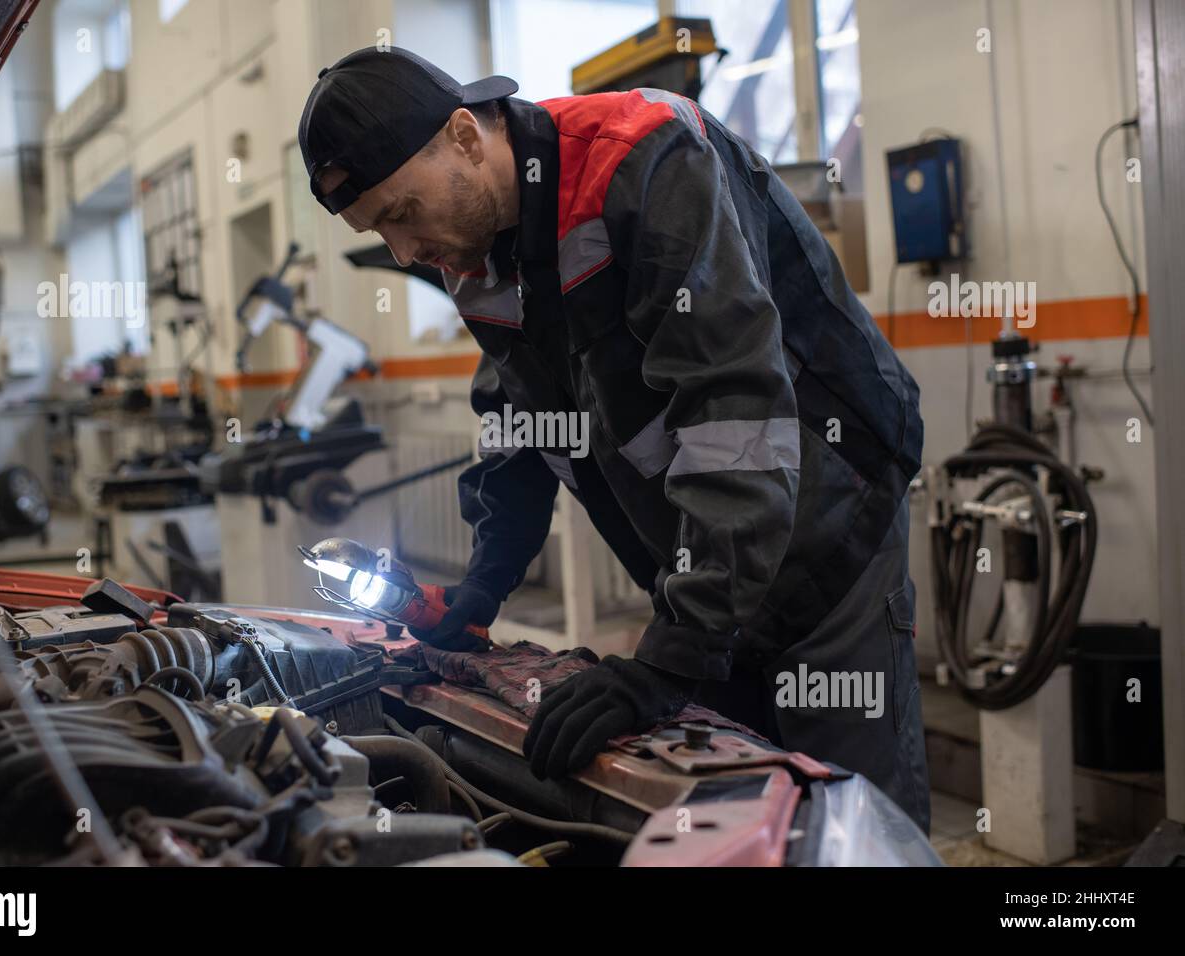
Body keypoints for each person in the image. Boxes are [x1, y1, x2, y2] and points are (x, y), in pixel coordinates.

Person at [297, 46, 930, 831]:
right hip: (707, 550)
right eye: (379, 229)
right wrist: (481, 590)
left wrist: (669, 659)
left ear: (464, 135)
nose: (403, 251)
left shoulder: (645, 159)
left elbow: (734, 415)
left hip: (830, 523)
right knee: (740, 799)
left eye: (400, 213)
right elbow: (523, 421)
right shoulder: (470, 244)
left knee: (848, 817)